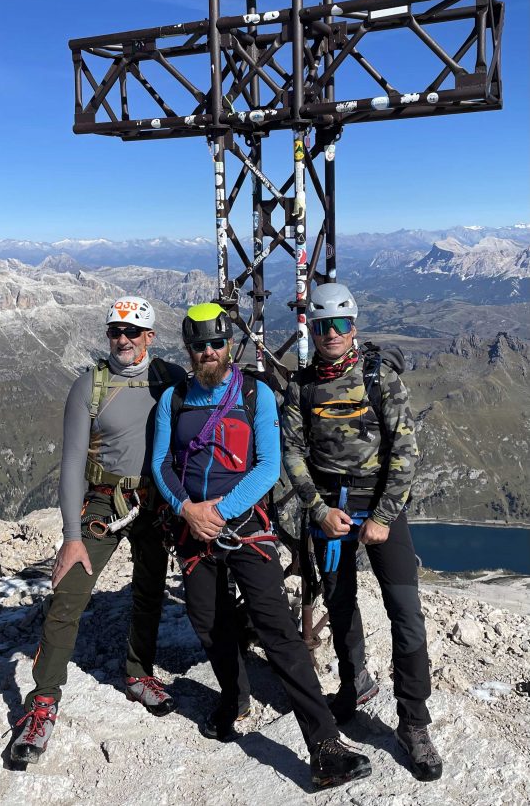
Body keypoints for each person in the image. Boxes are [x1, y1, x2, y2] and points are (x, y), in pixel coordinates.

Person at [151, 303, 371, 789]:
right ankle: (234, 698)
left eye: (215, 343)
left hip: (244, 525)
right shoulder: (174, 398)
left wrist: (218, 512)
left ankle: (324, 743)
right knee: (207, 621)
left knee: (276, 628)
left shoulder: (256, 395)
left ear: (230, 344)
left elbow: (268, 466)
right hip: (193, 527)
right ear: (187, 349)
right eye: (198, 345)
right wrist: (188, 509)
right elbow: (161, 464)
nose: (208, 352)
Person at [10, 297, 186, 764]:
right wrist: (71, 535)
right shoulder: (89, 385)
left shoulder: (168, 378)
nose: (122, 340)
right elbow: (71, 462)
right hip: (105, 502)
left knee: (148, 589)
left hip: (155, 498)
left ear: (150, 336)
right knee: (68, 596)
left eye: (132, 332)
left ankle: (137, 673)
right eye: (115, 331)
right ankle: (43, 702)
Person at [282, 282, 443, 783]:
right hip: (331, 511)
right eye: (323, 324)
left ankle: (413, 722)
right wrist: (317, 508)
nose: (332, 334)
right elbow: (291, 452)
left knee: (406, 614)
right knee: (341, 604)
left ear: (354, 326)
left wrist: (383, 517)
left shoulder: (380, 377)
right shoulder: (303, 385)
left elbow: (406, 452)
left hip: (380, 509)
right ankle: (355, 687)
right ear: (311, 327)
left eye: (341, 324)